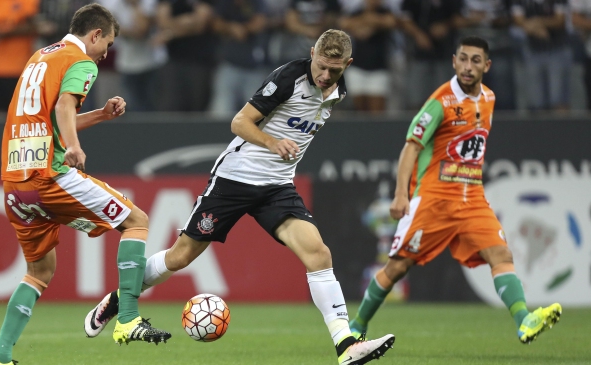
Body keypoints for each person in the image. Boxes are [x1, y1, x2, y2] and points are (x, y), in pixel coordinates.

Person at [84, 29, 395, 365]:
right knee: (181, 256)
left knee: (319, 253)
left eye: (334, 70)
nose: (325, 75)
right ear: (312, 53)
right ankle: (118, 300)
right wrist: (273, 143)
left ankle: (345, 345)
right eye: (321, 66)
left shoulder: (338, 90)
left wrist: (281, 153)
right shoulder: (289, 78)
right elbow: (240, 122)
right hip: (235, 179)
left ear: (348, 64)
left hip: (277, 186)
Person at [348, 36, 562, 345]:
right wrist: (400, 194)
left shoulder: (489, 98)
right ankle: (357, 324)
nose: (467, 65)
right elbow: (411, 147)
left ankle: (524, 320)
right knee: (398, 266)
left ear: (486, 66)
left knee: (500, 253)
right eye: (462, 58)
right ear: (453, 61)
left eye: (475, 60)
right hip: (435, 197)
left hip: (472, 197)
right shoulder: (440, 102)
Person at [0, 4, 170, 365]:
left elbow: (55, 116)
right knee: (136, 222)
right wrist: (73, 146)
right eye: (108, 43)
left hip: (15, 183)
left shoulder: (40, 56)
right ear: (95, 35)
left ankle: (1, 357)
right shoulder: (81, 61)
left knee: (39, 271)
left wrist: (102, 114)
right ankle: (128, 319)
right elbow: (63, 108)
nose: (107, 53)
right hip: (49, 176)